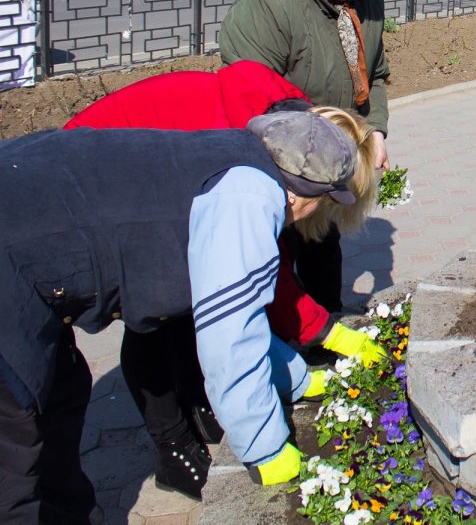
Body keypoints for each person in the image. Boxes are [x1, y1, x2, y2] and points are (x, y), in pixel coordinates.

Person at [0, 110, 364, 523]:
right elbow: (231, 336)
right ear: (303, 195)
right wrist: (265, 447)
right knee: (12, 459)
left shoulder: (234, 154)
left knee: (59, 402)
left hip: (25, 226)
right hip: (11, 261)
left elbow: (237, 308)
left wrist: (296, 378)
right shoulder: (249, 197)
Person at [63, 61, 385, 501]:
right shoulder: (245, 164)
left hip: (126, 176)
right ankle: (173, 449)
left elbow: (266, 265)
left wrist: (320, 334)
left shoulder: (286, 138)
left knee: (188, 304)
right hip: (91, 189)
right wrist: (263, 439)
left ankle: (202, 405)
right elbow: (243, 299)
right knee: (154, 316)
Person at [220, 0, 393, 314]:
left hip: (328, 162)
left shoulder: (367, 2)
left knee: (322, 254)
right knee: (268, 267)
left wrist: (376, 133)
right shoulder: (272, 3)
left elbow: (377, 76)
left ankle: (324, 337)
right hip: (275, 166)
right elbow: (247, 96)